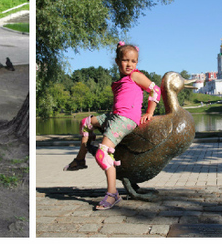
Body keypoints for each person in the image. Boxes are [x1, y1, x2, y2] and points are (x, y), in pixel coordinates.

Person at [63, 41, 160, 210]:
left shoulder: (135, 76)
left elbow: (155, 90)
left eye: (133, 61)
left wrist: (149, 112)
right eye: (125, 60)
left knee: (102, 154)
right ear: (117, 61)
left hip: (125, 120)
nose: (129, 64)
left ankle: (112, 193)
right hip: (114, 116)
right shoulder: (122, 79)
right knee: (85, 123)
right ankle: (80, 159)